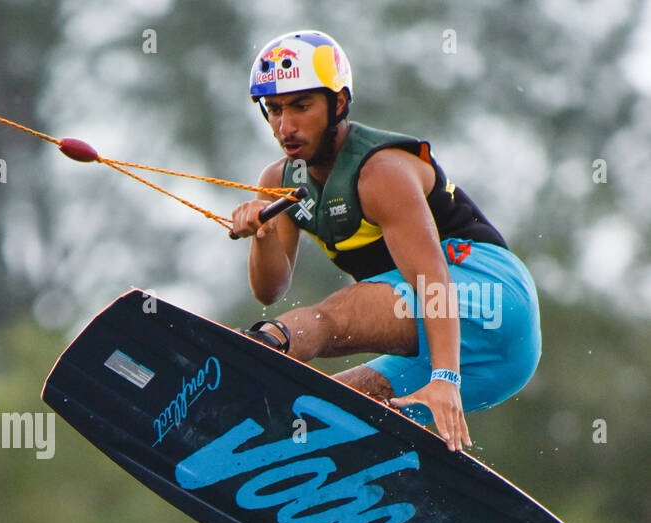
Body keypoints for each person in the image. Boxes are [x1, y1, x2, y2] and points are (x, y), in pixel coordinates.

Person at [229, 30, 542, 453]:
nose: (286, 126)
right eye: (275, 110)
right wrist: (263, 235)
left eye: (302, 106)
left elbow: (432, 280)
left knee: (333, 316)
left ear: (337, 103)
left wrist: (445, 379)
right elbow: (270, 289)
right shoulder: (279, 182)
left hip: (491, 300)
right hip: (479, 361)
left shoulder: (381, 172)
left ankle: (247, 359)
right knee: (321, 419)